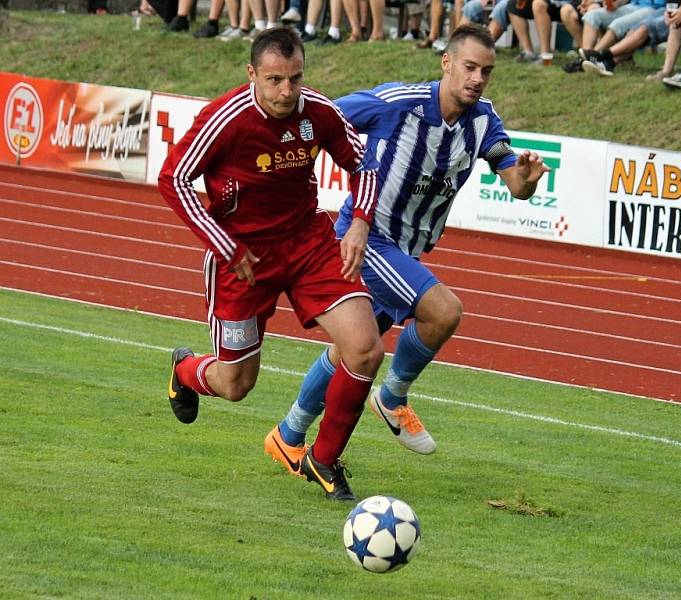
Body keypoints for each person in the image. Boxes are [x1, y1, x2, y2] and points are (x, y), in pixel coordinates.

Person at [264, 24, 550, 475]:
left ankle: (288, 434)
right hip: (368, 237)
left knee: (352, 351)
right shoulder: (398, 104)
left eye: (486, 72)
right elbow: (324, 120)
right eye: (470, 67)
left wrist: (528, 180)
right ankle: (392, 397)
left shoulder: (483, 120)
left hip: (408, 249)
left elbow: (515, 183)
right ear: (447, 63)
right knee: (444, 311)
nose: (476, 78)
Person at [159, 27, 383, 502]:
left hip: (308, 245)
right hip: (242, 259)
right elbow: (174, 178)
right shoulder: (225, 119)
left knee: (365, 348)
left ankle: (322, 458)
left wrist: (360, 221)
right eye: (275, 80)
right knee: (236, 384)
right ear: (252, 74)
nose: (287, 91)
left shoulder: (318, 111)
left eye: (295, 79)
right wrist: (225, 245)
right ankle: (185, 370)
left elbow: (364, 165)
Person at [563, 0, 665, 72]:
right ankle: (588, 58)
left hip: (654, 9)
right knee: (592, 16)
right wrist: (616, 3)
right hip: (633, 6)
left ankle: (587, 59)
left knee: (617, 24)